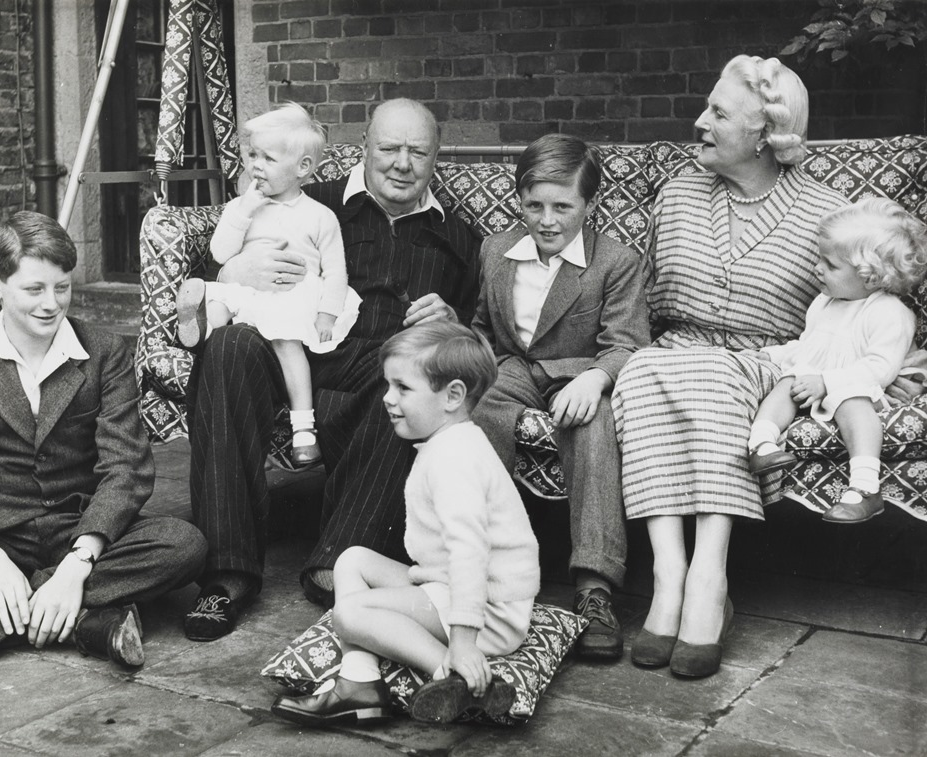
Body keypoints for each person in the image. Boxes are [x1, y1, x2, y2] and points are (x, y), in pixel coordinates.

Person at [183, 98, 481, 642]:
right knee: (227, 346)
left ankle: (338, 561)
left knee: (413, 373)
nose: (401, 163)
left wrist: (454, 323)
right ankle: (226, 575)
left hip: (380, 369)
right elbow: (215, 266)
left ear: (436, 159)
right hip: (290, 350)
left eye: (418, 152)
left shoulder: (458, 239)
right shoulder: (306, 200)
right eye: (388, 148)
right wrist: (234, 267)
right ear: (362, 148)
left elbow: (480, 337)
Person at [611, 55, 850, 678]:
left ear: (765, 133)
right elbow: (648, 299)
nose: (699, 122)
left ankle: (708, 578)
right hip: (675, 349)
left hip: (768, 358)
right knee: (639, 372)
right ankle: (668, 578)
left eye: (717, 113)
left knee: (713, 375)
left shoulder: (827, 213)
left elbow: (859, 309)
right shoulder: (681, 191)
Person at [0, 211, 206, 668]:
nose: (51, 303)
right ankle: (87, 623)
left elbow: (126, 469)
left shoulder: (104, 352)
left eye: (61, 288)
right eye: (34, 289)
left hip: (80, 532)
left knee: (184, 544)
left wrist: (77, 565)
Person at [271, 322, 540, 727]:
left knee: (348, 614)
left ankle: (454, 675)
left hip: (488, 611)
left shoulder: (454, 460)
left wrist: (464, 642)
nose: (387, 399)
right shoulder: (449, 441)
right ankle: (360, 683)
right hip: (449, 588)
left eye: (403, 388)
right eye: (388, 385)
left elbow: (470, 553)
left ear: (453, 396)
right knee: (352, 559)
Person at [470, 134, 649, 661]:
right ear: (519, 200)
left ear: (589, 204)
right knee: (475, 409)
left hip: (580, 371)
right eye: (534, 205)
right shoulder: (496, 250)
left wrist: (595, 380)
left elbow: (627, 342)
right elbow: (483, 325)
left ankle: (595, 585)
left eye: (562, 207)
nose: (547, 220)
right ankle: (480, 562)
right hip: (515, 368)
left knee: (594, 424)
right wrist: (474, 360)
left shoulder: (614, 261)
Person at [176, 103, 361, 466]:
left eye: (268, 158)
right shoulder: (242, 207)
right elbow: (221, 252)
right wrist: (243, 211)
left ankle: (303, 428)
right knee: (219, 298)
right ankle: (203, 333)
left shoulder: (319, 217)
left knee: (286, 341)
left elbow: (336, 272)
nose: (255, 166)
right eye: (252, 154)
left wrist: (327, 314)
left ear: (302, 168)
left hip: (293, 298)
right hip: (249, 292)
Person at [748, 198, 927, 523]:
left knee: (851, 401)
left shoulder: (890, 314)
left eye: (830, 265)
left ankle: (864, 487)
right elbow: (808, 347)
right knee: (788, 381)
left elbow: (879, 369)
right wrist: (772, 355)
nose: (818, 268)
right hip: (819, 382)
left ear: (870, 277)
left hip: (869, 389)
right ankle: (762, 445)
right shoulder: (824, 302)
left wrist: (828, 383)